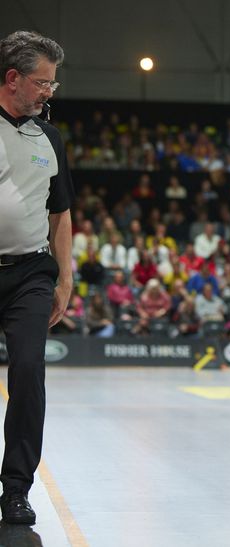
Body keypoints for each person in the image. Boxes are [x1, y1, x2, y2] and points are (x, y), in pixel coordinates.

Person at [0, 30, 73, 524]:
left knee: (29, 373)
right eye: (42, 82)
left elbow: (61, 214)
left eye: (53, 83)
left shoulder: (49, 136)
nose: (49, 91)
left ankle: (16, 490)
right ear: (12, 78)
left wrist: (64, 279)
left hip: (30, 272)